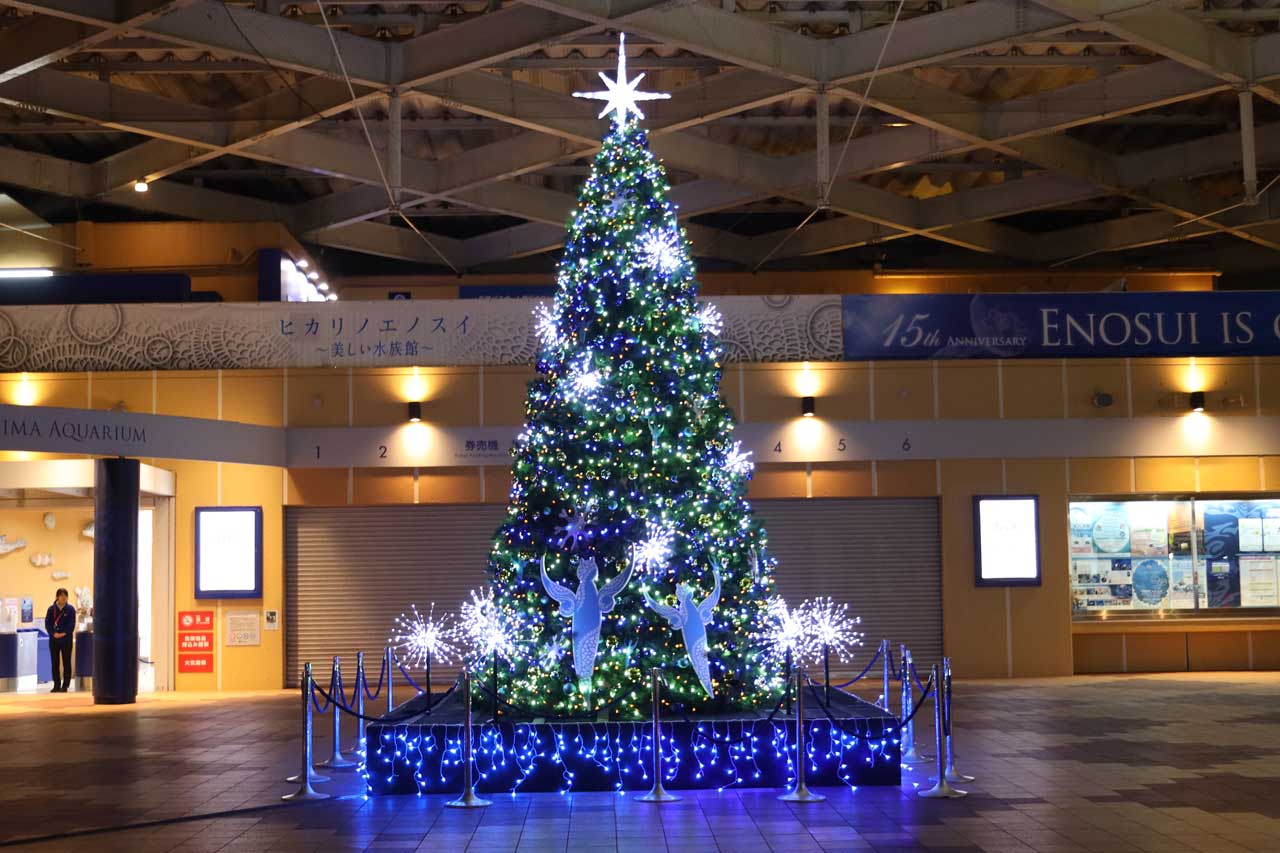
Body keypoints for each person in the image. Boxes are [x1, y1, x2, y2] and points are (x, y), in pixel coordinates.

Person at [44, 589, 76, 693]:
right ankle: (56, 685)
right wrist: (53, 634)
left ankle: (65, 685)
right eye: (61, 596)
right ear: (57, 597)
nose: (64, 598)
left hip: (66, 639)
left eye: (65, 596)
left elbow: (71, 625)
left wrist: (63, 633)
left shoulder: (70, 610)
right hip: (54, 640)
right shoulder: (51, 609)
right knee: (55, 662)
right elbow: (48, 624)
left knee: (67, 662)